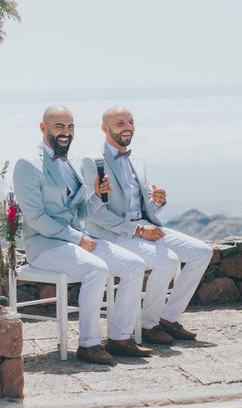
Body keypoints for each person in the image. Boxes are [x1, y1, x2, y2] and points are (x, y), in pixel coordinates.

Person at [13, 105, 152, 364]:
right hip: (44, 245)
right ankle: (89, 344)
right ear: (44, 128)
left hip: (77, 238)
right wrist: (77, 238)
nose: (66, 133)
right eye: (59, 127)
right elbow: (35, 218)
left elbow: (82, 210)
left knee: (134, 264)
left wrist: (98, 195)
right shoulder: (27, 165)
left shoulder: (74, 162)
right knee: (96, 269)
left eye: (70, 127)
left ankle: (120, 338)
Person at [82, 107, 213, 344]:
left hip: (144, 225)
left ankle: (168, 318)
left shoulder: (137, 158)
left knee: (202, 252)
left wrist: (156, 202)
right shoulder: (92, 161)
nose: (128, 127)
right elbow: (96, 214)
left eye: (130, 122)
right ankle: (148, 325)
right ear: (105, 128)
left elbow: (144, 208)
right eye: (120, 123)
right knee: (168, 260)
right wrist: (138, 230)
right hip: (114, 233)